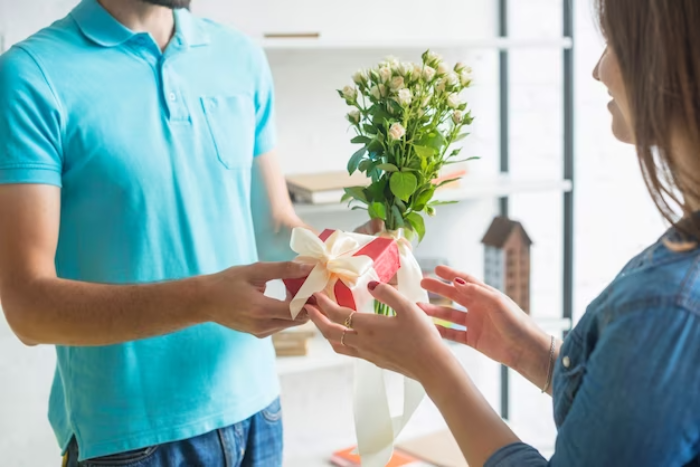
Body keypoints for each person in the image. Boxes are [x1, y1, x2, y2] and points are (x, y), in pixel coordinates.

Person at [308, 0, 700, 465]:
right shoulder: (677, 263)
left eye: (614, 44)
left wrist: (433, 369)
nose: (597, 70)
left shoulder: (667, 305)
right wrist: (533, 354)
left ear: (666, 60)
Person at [0, 0, 321, 465]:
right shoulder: (31, 75)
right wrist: (206, 299)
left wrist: (342, 254)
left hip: (258, 413)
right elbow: (28, 308)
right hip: (130, 440)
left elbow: (275, 225)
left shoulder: (239, 56)